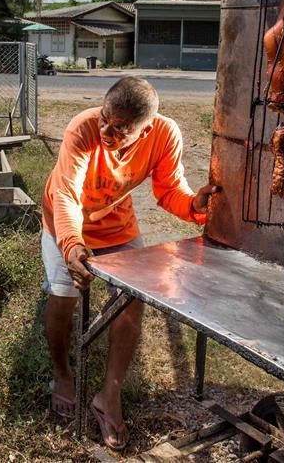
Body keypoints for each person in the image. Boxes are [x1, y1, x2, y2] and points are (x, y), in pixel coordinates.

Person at [41, 76, 219, 450]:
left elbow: (169, 188)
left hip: (117, 225)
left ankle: (110, 395)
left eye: (121, 128)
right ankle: (62, 373)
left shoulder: (165, 134)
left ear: (146, 128)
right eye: (106, 118)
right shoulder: (83, 128)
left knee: (131, 301)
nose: (108, 130)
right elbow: (68, 195)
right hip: (63, 219)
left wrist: (192, 206)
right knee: (63, 295)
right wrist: (71, 246)